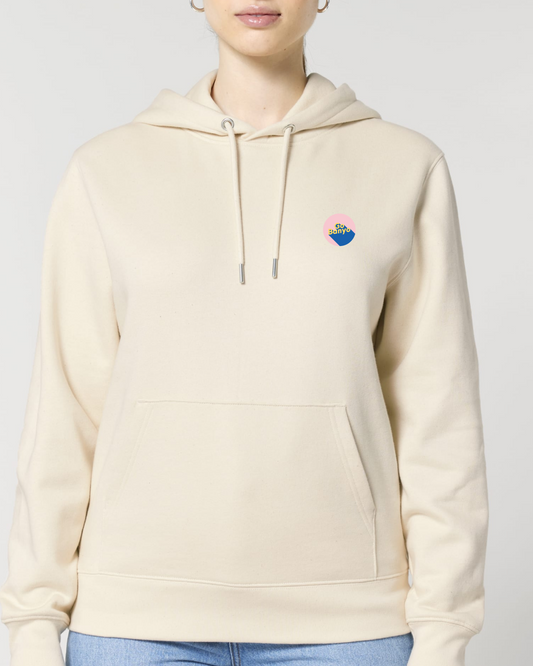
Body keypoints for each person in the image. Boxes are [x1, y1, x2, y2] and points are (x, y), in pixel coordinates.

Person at [0, 1, 490, 665]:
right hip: (133, 617)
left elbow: (438, 412)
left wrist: (443, 628)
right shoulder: (106, 169)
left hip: (346, 622)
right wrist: (32, 620)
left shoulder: (403, 166)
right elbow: (65, 407)